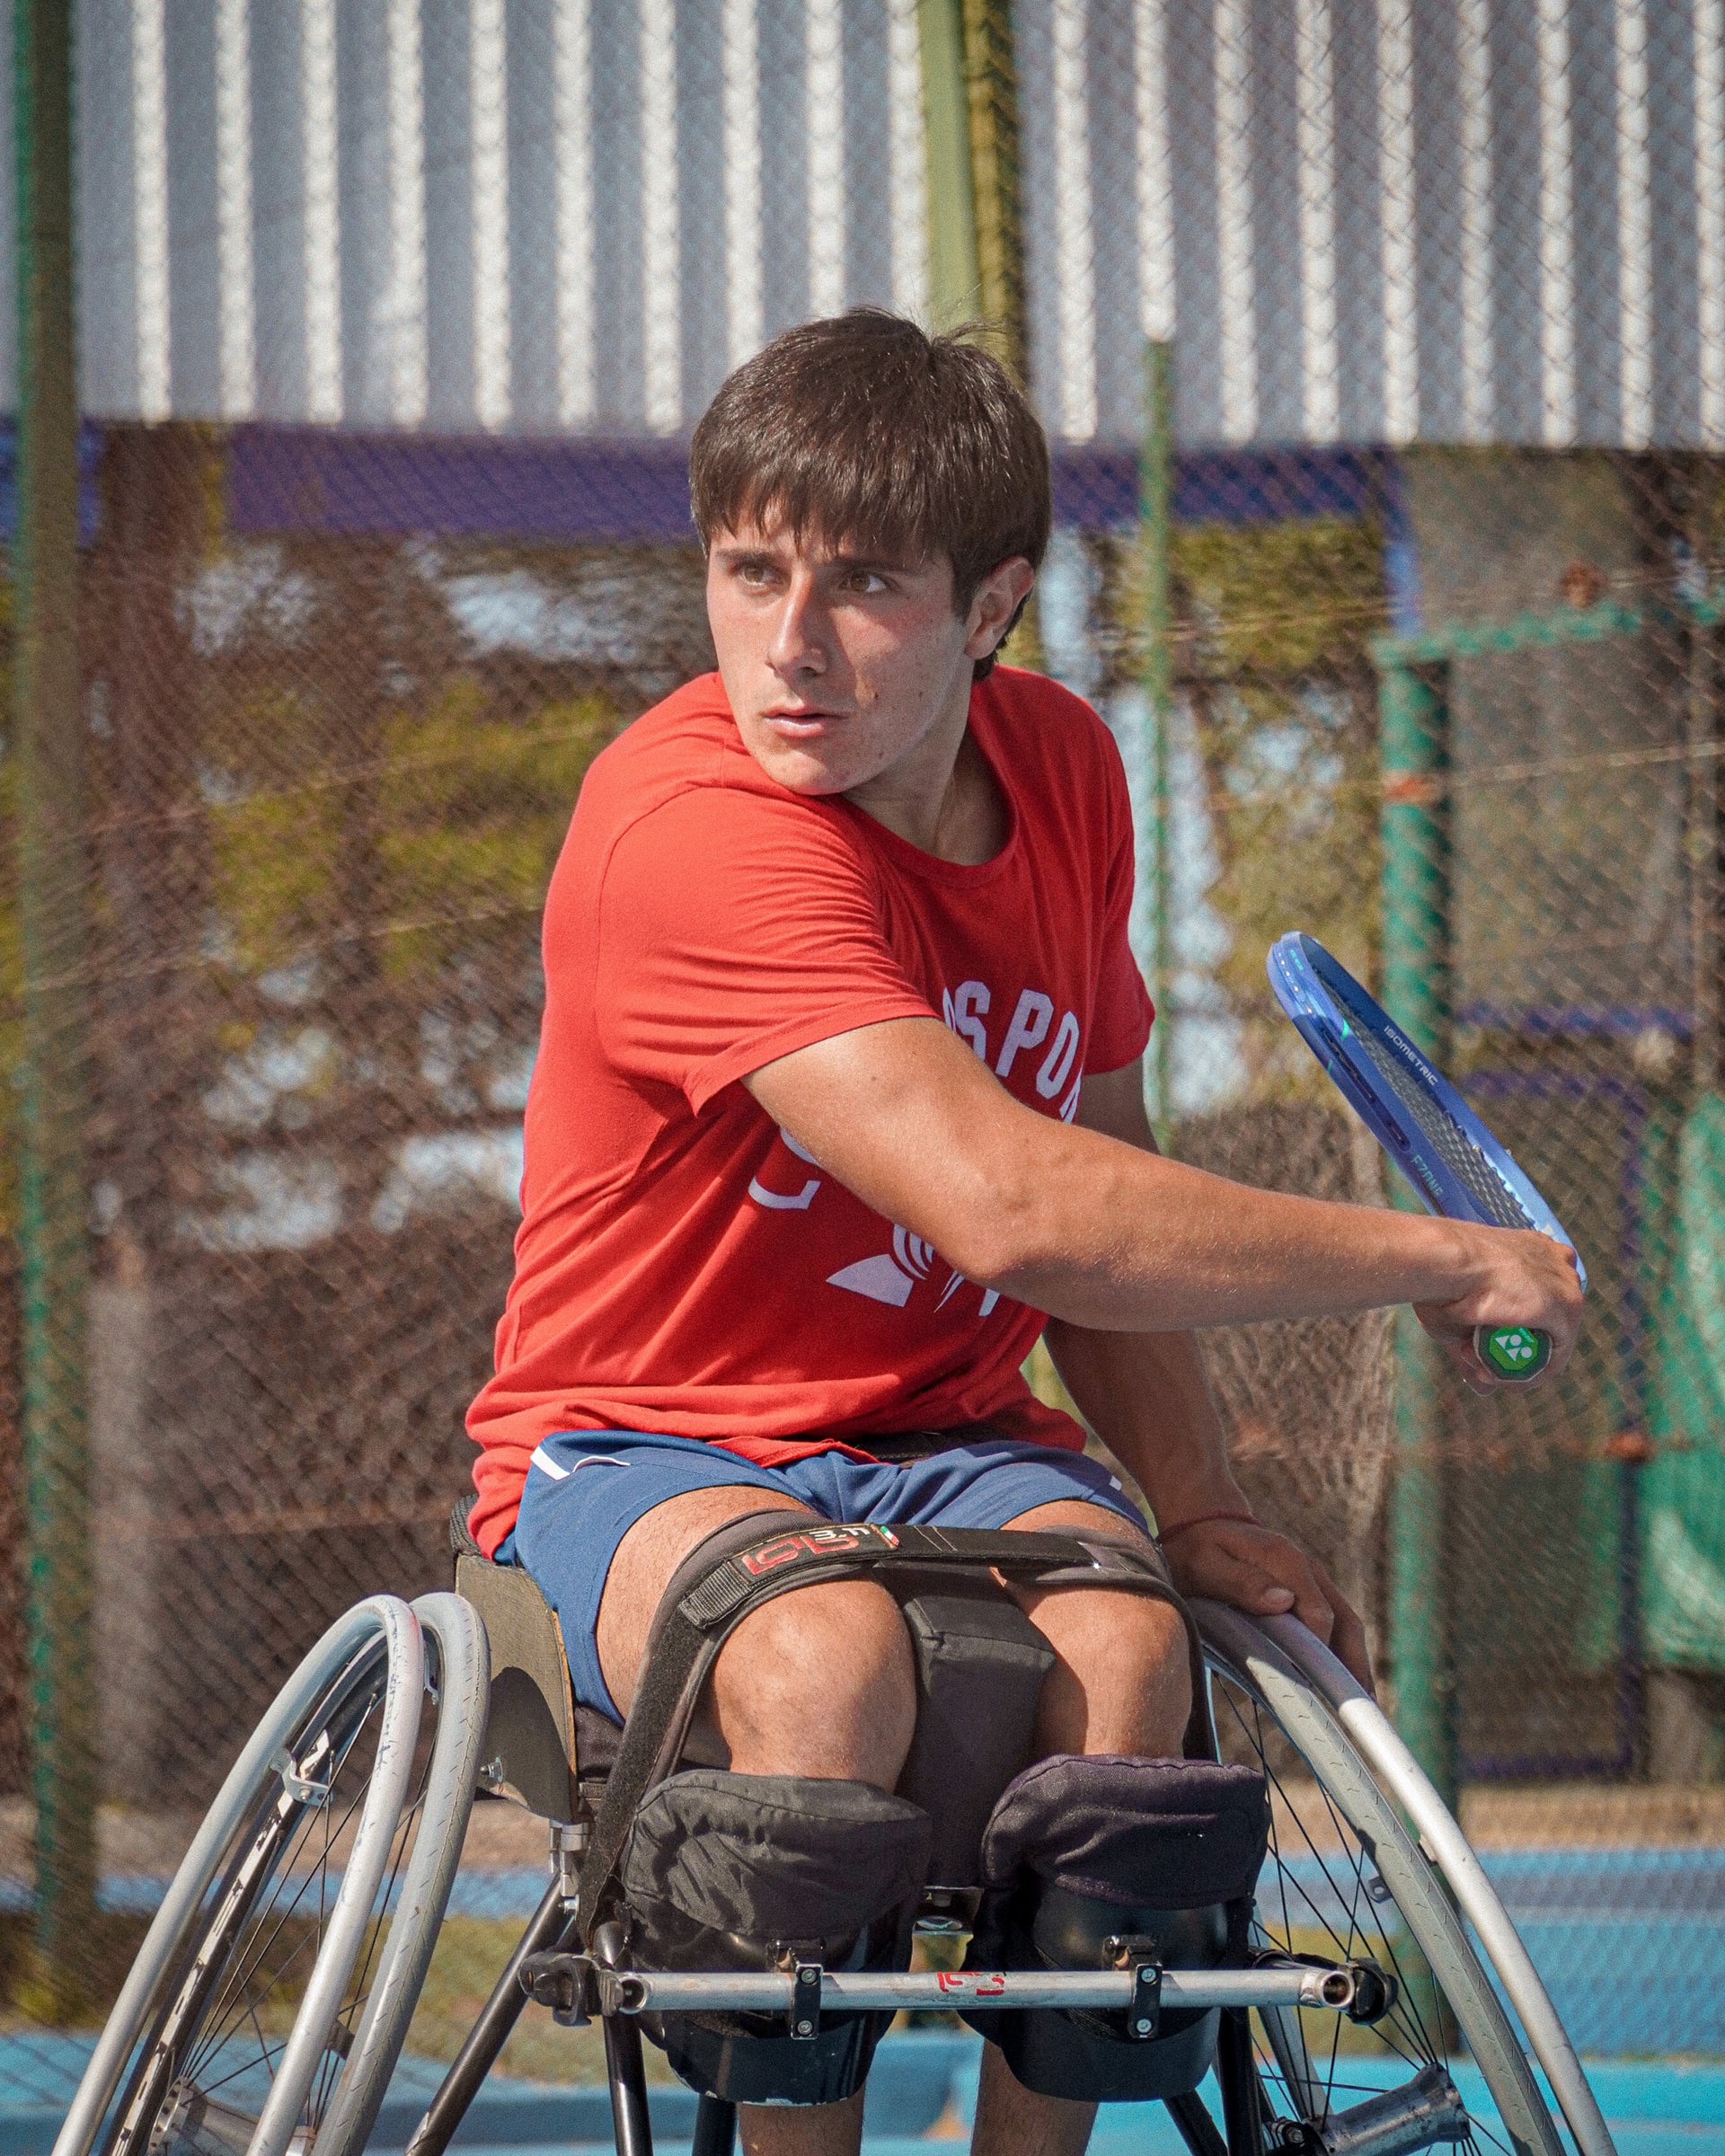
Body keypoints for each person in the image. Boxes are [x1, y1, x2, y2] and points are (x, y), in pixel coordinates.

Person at [466, 310, 1580, 2156]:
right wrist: (1445, 1256)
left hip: (955, 1439)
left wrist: (1195, 1505)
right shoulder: (690, 827)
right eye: (750, 572)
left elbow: (1103, 1161)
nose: (791, 643)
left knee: (1137, 1662)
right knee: (823, 1659)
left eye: (863, 585)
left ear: (992, 607)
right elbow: (1018, 1207)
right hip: (646, 1442)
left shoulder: (1065, 770)